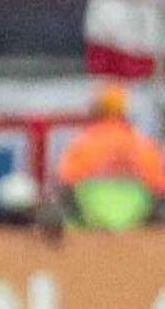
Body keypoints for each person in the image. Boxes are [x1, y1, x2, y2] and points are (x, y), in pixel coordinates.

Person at [54, 84, 165, 229]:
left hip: (91, 222)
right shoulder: (143, 144)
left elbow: (65, 182)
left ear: (97, 110)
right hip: (138, 222)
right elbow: (159, 185)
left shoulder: (82, 144)